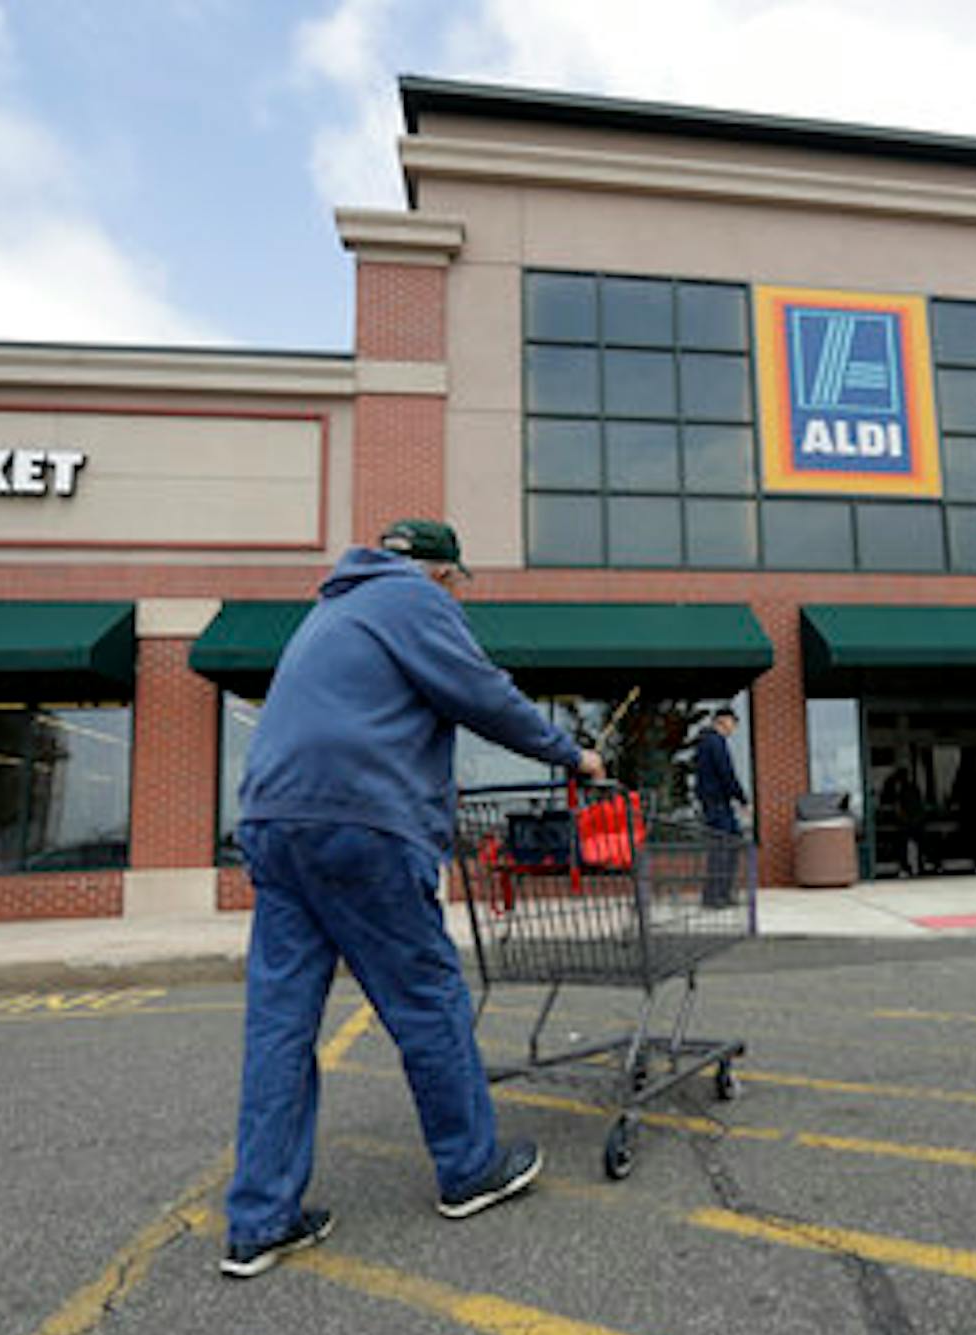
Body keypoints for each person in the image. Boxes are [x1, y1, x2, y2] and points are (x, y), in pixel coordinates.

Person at [221, 518, 606, 1279]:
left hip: (272, 821)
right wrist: (574, 753)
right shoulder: (411, 600)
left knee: (280, 1023)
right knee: (427, 997)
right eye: (459, 583)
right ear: (441, 574)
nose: (460, 597)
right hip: (357, 824)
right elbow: (483, 694)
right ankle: (470, 1168)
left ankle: (259, 1220)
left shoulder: (332, 609)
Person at [695, 706, 747, 906]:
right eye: (732, 725)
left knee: (727, 847)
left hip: (715, 804)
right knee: (722, 850)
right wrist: (742, 799)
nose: (732, 730)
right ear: (723, 721)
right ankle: (716, 896)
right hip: (717, 805)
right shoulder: (715, 742)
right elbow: (726, 773)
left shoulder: (705, 742)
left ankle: (720, 894)